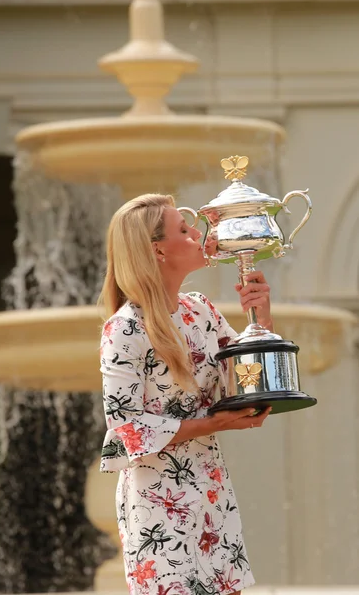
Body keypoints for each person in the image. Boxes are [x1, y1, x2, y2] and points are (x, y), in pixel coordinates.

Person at [98, 194, 273, 595]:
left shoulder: (201, 311)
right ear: (157, 249)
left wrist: (260, 319)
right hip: (158, 502)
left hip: (211, 490)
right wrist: (214, 423)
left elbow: (246, 380)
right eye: (184, 229)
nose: (198, 234)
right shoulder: (125, 329)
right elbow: (125, 428)